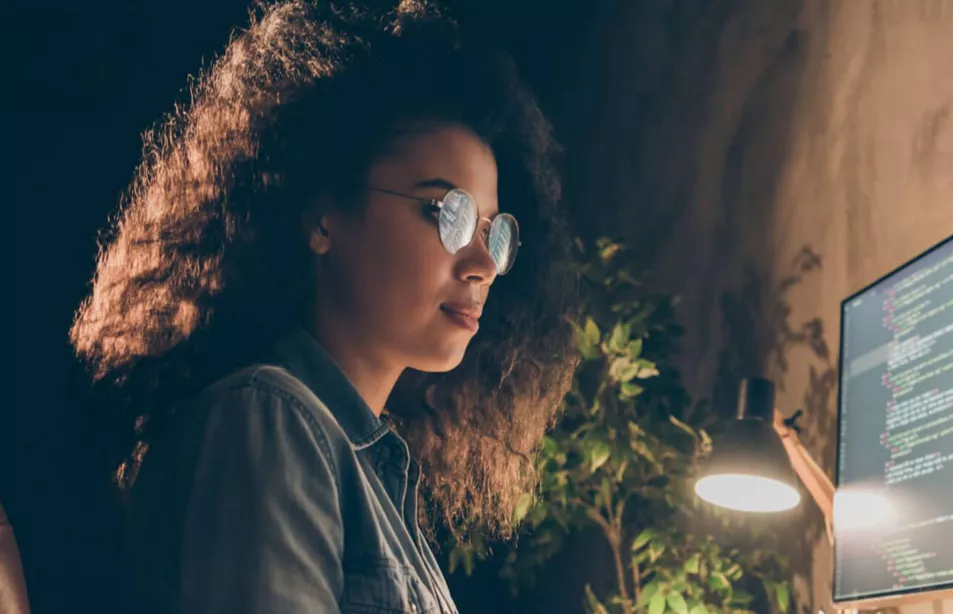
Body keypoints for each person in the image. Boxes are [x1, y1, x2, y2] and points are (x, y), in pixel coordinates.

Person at [68, 1, 580, 612]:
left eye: (493, 233)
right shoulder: (270, 418)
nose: (483, 265)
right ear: (321, 217)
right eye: (447, 215)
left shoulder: (371, 473)